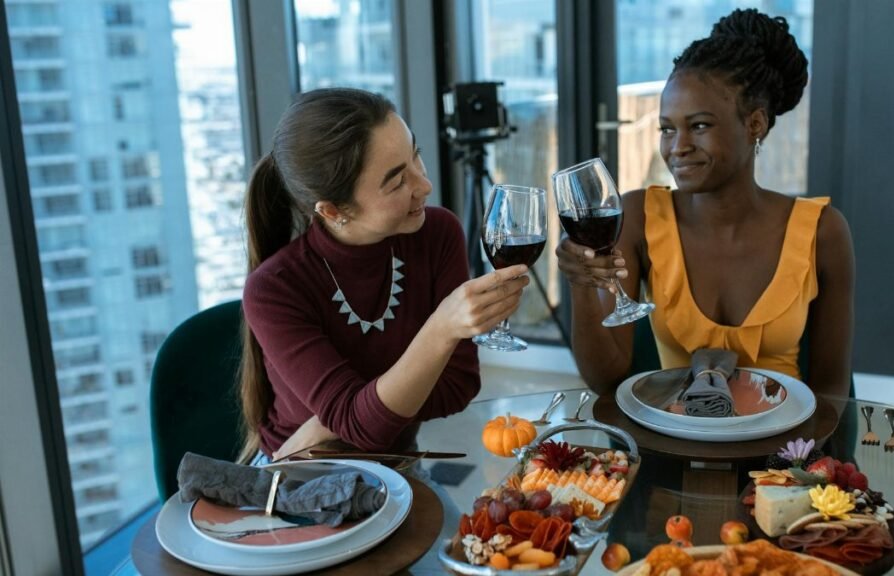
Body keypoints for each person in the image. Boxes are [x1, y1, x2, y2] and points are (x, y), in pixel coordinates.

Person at [556, 8, 854, 399]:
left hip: (786, 449)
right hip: (673, 442)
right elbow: (606, 380)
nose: (677, 148)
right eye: (667, 129)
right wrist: (583, 285)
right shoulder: (638, 219)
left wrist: (799, 461)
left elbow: (832, 390)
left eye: (699, 125)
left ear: (755, 124)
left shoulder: (823, 230)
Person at [239, 88, 530, 463]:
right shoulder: (274, 289)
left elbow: (458, 387)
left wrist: (330, 422)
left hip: (393, 459)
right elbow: (364, 427)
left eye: (416, 157)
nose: (424, 186)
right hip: (302, 471)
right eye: (396, 182)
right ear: (332, 210)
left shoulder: (437, 234)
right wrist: (441, 329)